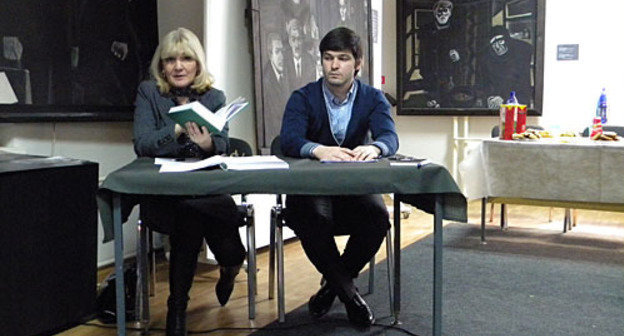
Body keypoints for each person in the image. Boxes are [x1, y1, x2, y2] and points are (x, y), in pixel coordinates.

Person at [280, 27, 399, 328]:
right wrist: (318, 149)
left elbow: (390, 137)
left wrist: (375, 148)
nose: (334, 65)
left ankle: (332, 287)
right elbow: (288, 140)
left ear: (357, 63)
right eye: (328, 58)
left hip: (353, 188)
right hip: (310, 190)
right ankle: (350, 296)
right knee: (313, 219)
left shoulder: (373, 98)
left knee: (378, 218)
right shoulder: (303, 97)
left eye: (342, 58)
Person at [132, 28, 245, 336]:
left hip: (207, 188)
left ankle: (231, 267)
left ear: (197, 64)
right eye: (170, 60)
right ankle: (177, 308)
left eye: (186, 58)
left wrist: (209, 145)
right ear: (162, 66)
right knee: (189, 217)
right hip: (165, 192)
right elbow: (143, 144)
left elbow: (222, 144)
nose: (178, 66)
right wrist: (178, 130)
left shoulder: (214, 97)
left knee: (224, 243)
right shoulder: (149, 93)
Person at [418, 0, 467, 107]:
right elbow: (422, 54)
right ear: (434, 13)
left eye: (446, 11)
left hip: (449, 76)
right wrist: (424, 74)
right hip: (431, 75)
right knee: (431, 106)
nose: (442, 14)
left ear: (450, 13)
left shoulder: (456, 31)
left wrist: (458, 56)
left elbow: (463, 53)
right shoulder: (426, 30)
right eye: (439, 11)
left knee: (448, 104)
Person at [479, 25, 533, 108]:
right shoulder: (487, 59)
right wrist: (489, 98)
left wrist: (504, 98)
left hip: (518, 106)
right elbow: (485, 85)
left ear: (507, 40)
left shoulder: (522, 52)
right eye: (494, 43)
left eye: (500, 41)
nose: (497, 47)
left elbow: (523, 88)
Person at [262, 32, 291, 147]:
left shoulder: (285, 75)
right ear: (270, 55)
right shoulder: (267, 80)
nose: (281, 57)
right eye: (277, 52)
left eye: (282, 52)